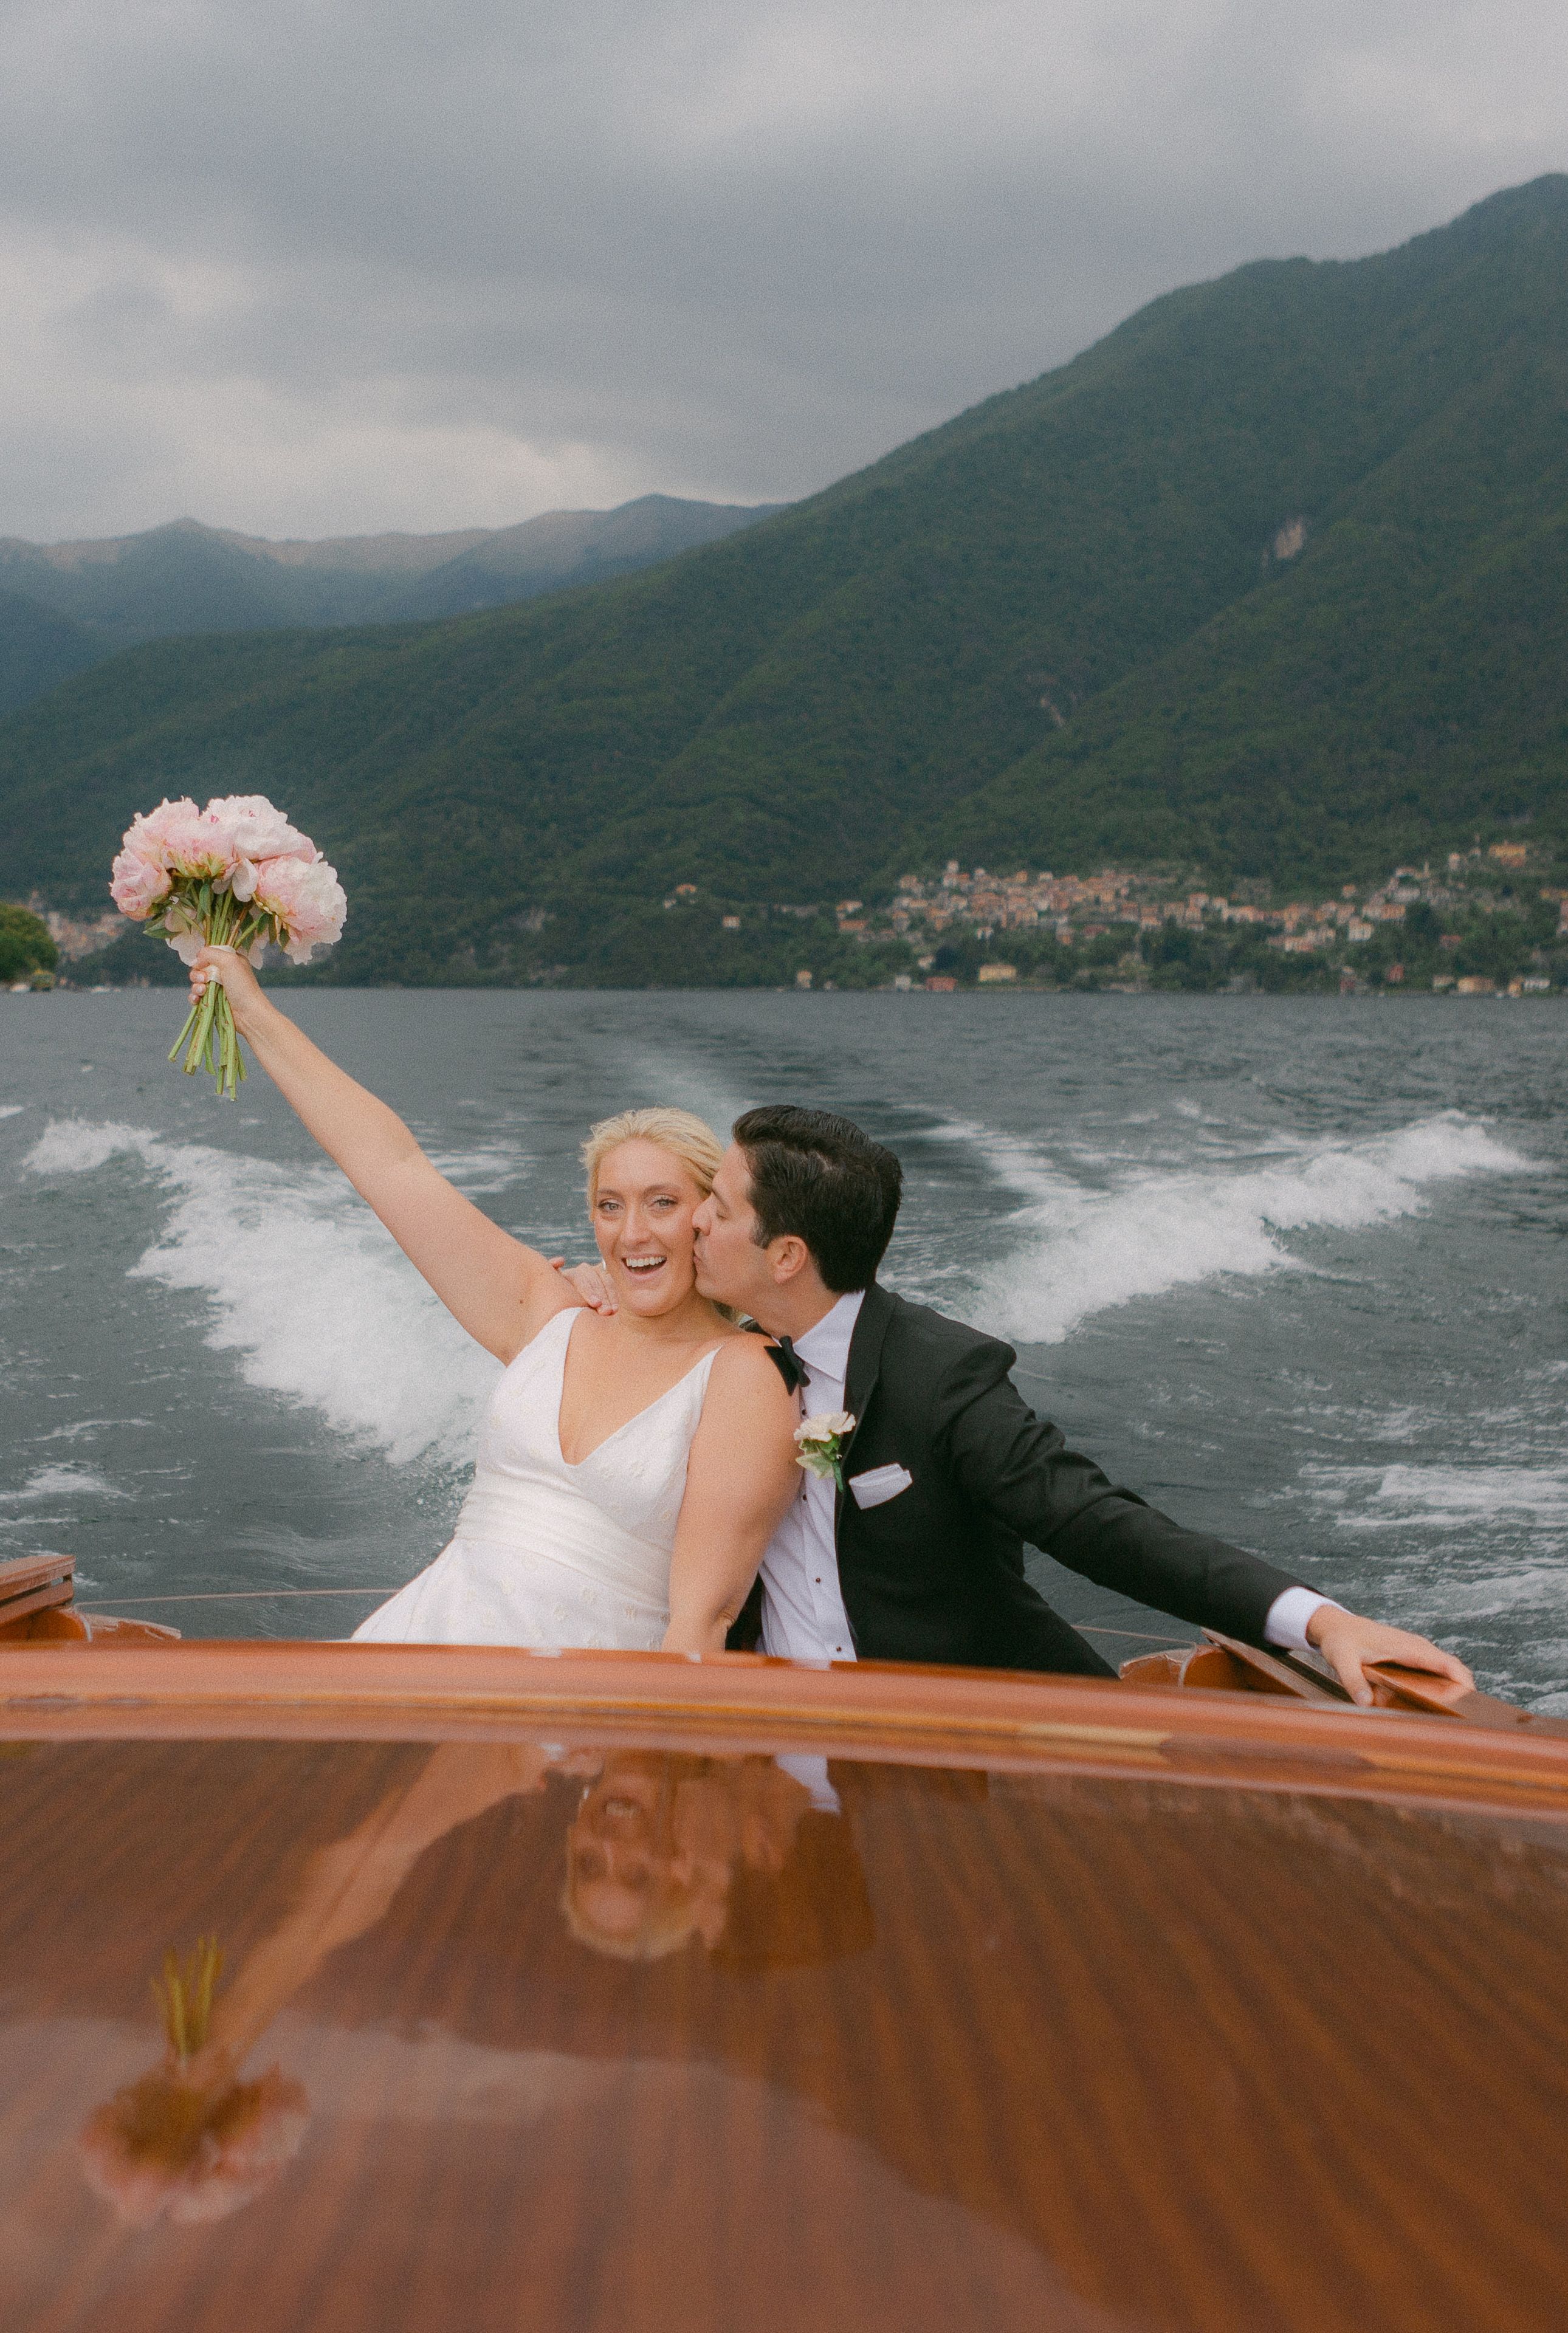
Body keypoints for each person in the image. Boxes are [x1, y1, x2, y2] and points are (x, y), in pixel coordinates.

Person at [573, 1103, 1474, 1706]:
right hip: (771, 1738)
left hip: (971, 1744)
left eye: (715, 1210)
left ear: (785, 1256)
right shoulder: (711, 1349)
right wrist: (592, 1290)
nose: (688, 1222)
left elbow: (1097, 1522)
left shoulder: (942, 1375)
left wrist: (1323, 1621)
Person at [185, 948, 798, 1653]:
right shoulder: (546, 1309)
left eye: (662, 1202)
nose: (632, 1232)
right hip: (424, 1644)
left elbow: (704, 1619)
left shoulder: (745, 1371)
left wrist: (648, 1754)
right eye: (609, 1204)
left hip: (590, 1702)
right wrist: (253, 1012)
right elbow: (392, 1166)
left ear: (704, 1216)